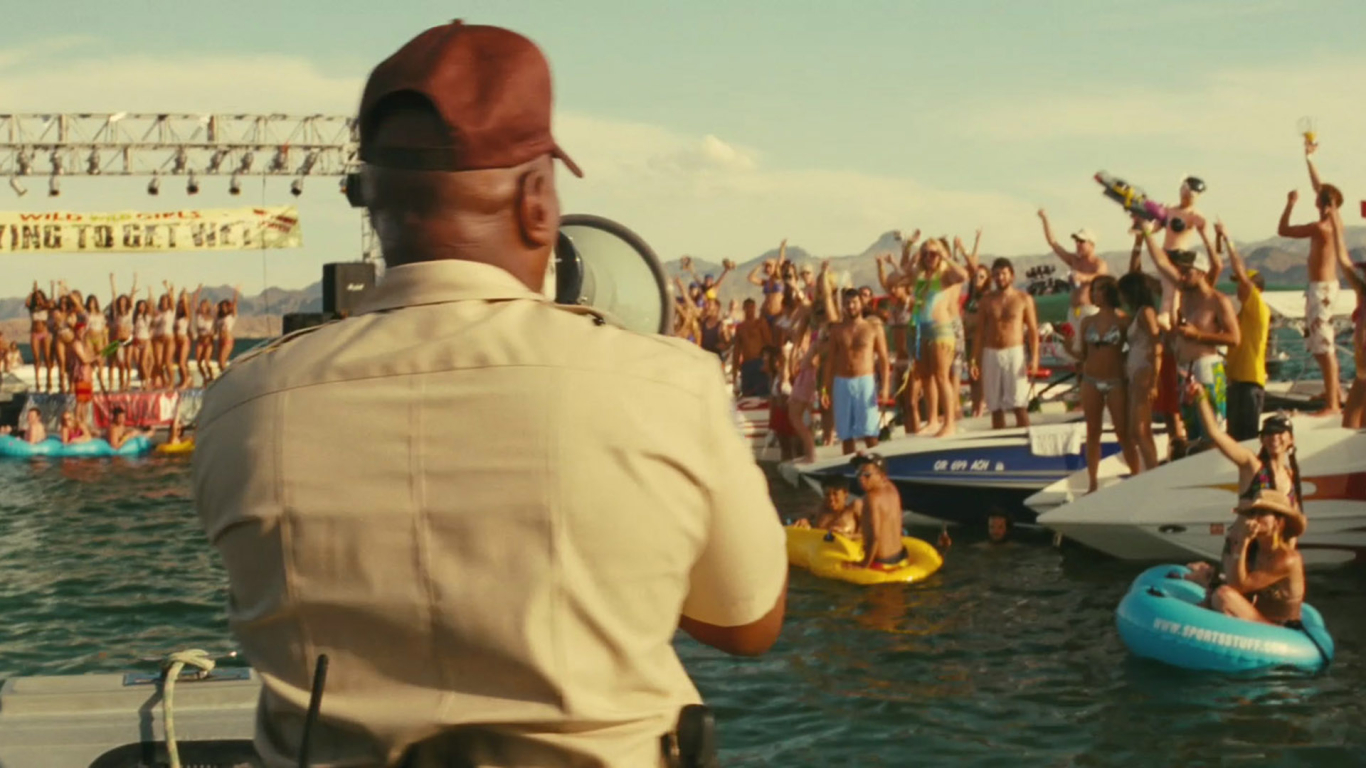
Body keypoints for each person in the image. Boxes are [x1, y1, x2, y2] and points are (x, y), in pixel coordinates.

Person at [192, 21, 786, 768]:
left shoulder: (241, 409)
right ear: (537, 201)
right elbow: (748, 623)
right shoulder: (670, 387)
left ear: (372, 203)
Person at [1136, 220, 1240, 449]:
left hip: (1207, 366)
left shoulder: (1217, 301)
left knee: (1213, 428)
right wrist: (1146, 233)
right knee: (1192, 429)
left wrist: (1198, 335)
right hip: (1185, 369)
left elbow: (1234, 338)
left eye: (1186, 272)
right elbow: (1161, 263)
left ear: (1201, 272)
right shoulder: (1184, 292)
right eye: (1181, 271)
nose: (1181, 276)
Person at [1279, 182, 1345, 416]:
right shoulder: (1336, 224)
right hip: (1322, 289)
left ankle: (1333, 404)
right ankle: (1333, 392)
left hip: (1321, 290)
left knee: (1324, 347)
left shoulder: (1320, 228)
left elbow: (1283, 230)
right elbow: (1321, 187)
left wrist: (1290, 203)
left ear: (1324, 203)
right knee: (1319, 346)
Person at [1195, 489, 1306, 626]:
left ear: (1278, 522)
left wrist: (1243, 541)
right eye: (1253, 513)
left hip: (1280, 628)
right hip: (1258, 619)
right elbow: (1232, 579)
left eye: (1262, 513)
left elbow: (1238, 586)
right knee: (1214, 591)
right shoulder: (1254, 550)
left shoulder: (1288, 558)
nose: (1254, 519)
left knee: (1223, 595)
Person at [1075, 276, 1141, 492]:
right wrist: (1066, 347)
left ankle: (1137, 477)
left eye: (1100, 289)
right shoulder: (1087, 322)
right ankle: (1093, 483)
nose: (1095, 293)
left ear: (1110, 292)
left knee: (1123, 432)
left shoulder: (1124, 321)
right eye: (1094, 289)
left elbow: (1135, 350)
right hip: (1090, 381)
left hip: (1116, 382)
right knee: (1093, 432)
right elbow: (1083, 355)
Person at [1217, 222, 1271, 442]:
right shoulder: (1242, 315)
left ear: (1256, 289)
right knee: (1234, 438)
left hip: (1250, 382)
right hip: (1237, 382)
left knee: (1247, 439)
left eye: (1241, 284)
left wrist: (1227, 240)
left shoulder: (1258, 307)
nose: (1238, 287)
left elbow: (1240, 271)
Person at [972, 257, 1039, 429]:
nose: (1000, 278)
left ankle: (1025, 436)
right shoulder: (987, 300)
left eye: (1003, 273)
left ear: (1012, 275)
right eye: (996, 274)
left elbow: (1033, 330)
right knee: (995, 406)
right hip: (991, 352)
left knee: (1019, 403)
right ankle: (999, 439)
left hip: (1014, 352)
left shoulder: (1023, 299)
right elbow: (979, 332)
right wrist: (974, 359)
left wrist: (1035, 358)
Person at [821, 288, 890, 454]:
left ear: (861, 303)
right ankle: (851, 466)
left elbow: (883, 359)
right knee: (846, 435)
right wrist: (824, 389)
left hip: (865, 381)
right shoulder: (837, 330)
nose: (851, 306)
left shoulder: (873, 328)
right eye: (847, 303)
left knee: (870, 432)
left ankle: (876, 465)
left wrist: (886, 386)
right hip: (842, 382)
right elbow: (830, 361)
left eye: (854, 302)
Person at [1117, 273, 1161, 471]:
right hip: (1136, 372)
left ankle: (1153, 470)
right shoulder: (1137, 314)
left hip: (1144, 371)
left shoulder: (1146, 312)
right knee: (1137, 430)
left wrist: (1154, 381)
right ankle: (1150, 468)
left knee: (1140, 429)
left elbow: (1156, 343)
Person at [1327, 210, 1366, 428]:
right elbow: (1343, 259)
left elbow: (1344, 261)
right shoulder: (1362, 290)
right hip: (1362, 366)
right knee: (1352, 422)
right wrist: (1335, 224)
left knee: (1352, 421)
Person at [1037, 210, 1108, 322]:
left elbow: (1100, 277)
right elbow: (1053, 243)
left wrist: (1083, 277)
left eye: (1081, 241)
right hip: (1074, 311)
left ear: (1091, 244)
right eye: (1076, 241)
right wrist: (1045, 219)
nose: (1077, 244)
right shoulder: (1074, 260)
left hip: (1090, 309)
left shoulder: (1099, 263)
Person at [851, 454, 907, 568]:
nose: (861, 478)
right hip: (901, 556)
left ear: (881, 475)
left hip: (882, 562)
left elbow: (874, 537)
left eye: (867, 475)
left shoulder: (871, 498)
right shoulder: (892, 488)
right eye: (858, 473)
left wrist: (864, 564)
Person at [791, 475, 862, 536]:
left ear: (846, 494)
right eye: (827, 494)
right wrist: (805, 523)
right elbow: (812, 528)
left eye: (835, 494)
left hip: (847, 546)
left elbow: (867, 535)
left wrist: (848, 536)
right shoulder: (821, 509)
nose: (831, 498)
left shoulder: (854, 508)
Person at [732, 297, 773, 397]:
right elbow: (737, 350)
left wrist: (768, 364)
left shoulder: (761, 323)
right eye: (747, 307)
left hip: (760, 362)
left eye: (751, 307)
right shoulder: (740, 327)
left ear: (755, 308)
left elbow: (768, 344)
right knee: (747, 394)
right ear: (744, 309)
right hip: (747, 364)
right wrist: (734, 372)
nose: (749, 310)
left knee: (762, 394)